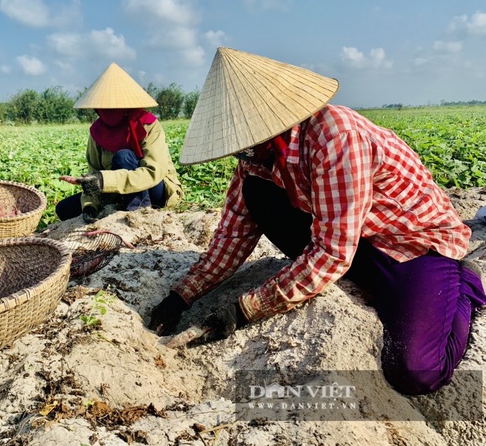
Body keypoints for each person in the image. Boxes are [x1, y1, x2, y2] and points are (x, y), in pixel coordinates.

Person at [147, 47, 486, 396]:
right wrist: (181, 296)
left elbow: (333, 251)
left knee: (415, 372)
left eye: (246, 143)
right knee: (257, 193)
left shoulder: (336, 136)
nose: (241, 153)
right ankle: (369, 282)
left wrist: (247, 308)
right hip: (353, 238)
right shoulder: (256, 159)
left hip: (410, 243)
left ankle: (465, 285)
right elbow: (232, 236)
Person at [56, 62, 183, 223]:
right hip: (116, 190)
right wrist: (90, 205)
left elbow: (153, 173)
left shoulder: (148, 125)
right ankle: (121, 205)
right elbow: (93, 172)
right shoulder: (97, 132)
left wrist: (103, 180)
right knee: (64, 209)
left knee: (124, 157)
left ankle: (138, 214)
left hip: (154, 189)